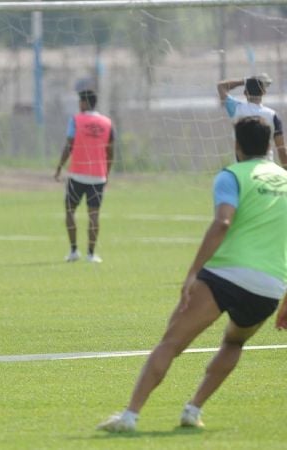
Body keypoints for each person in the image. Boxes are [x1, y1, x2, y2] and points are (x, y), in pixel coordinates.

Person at [97, 116, 287, 433]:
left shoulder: (231, 176)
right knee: (234, 343)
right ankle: (192, 409)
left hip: (224, 275)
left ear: (237, 145)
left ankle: (130, 416)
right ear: (269, 146)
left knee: (171, 343)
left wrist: (192, 273)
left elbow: (223, 222)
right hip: (268, 287)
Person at [54, 89, 114, 263]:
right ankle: (91, 254)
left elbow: (69, 145)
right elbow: (111, 152)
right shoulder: (107, 123)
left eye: (80, 102)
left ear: (84, 103)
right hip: (98, 176)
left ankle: (73, 251)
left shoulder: (76, 120)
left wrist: (59, 167)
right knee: (94, 214)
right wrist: (106, 173)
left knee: (70, 210)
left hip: (77, 174)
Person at [217, 74, 287, 165]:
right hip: (266, 168)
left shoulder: (236, 109)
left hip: (241, 168)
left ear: (245, 93)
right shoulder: (273, 116)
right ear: (264, 92)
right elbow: (281, 149)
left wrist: (245, 80)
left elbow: (221, 86)